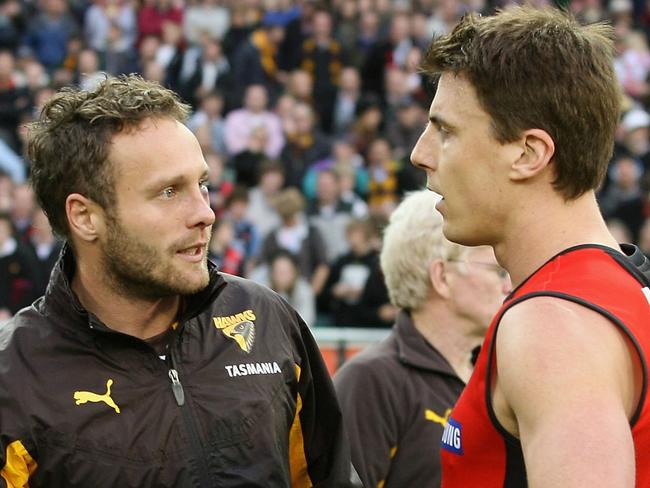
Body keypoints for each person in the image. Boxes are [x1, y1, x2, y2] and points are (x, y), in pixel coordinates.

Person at [0, 74, 351, 486]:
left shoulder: (267, 319)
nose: (205, 213)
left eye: (202, 185)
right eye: (169, 191)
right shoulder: (16, 379)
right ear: (84, 216)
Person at [410, 6, 650, 487]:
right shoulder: (621, 284)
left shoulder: (551, 328)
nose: (421, 153)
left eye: (446, 130)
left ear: (529, 153)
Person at [334, 190, 510, 488]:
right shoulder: (372, 381)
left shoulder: (500, 376)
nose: (509, 284)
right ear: (442, 277)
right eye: (497, 270)